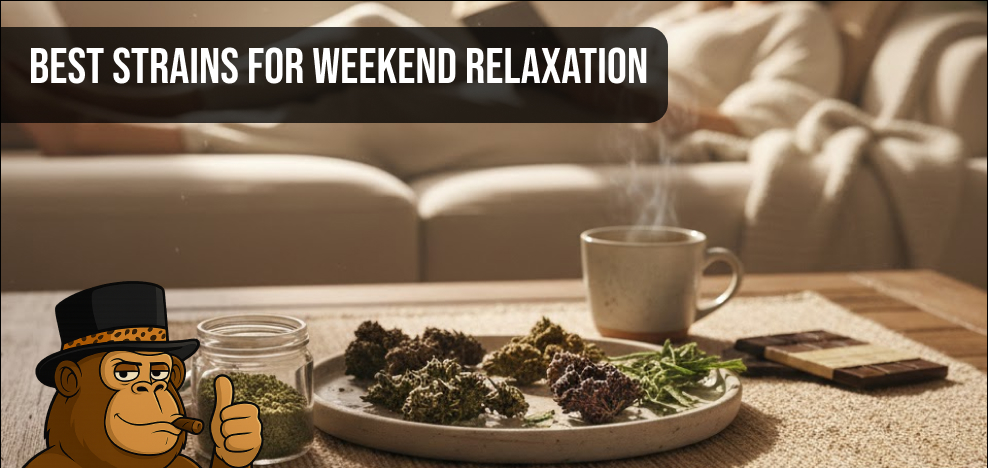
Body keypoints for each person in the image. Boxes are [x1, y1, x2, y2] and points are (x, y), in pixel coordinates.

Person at [14, 1, 841, 179]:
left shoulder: (798, 16)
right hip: (567, 96)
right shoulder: (683, 9)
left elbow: (774, 122)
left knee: (372, 40)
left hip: (617, 119)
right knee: (361, 66)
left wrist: (621, 91)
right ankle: (83, 115)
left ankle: (85, 114)